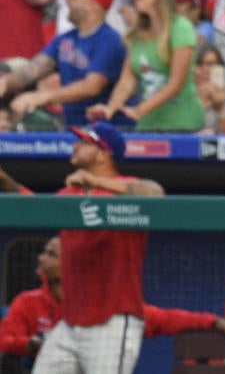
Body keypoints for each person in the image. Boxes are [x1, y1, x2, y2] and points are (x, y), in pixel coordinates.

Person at [0, 122, 164, 374]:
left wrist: (95, 180)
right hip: (71, 322)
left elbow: (155, 194)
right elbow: (35, 208)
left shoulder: (124, 187)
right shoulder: (70, 192)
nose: (75, 145)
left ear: (103, 153)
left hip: (112, 320)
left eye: (85, 142)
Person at [0, 236, 225, 360]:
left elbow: (161, 318)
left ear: (72, 263)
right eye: (44, 253)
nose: (41, 259)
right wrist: (31, 344)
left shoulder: (102, 302)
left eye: (51, 255)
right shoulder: (28, 301)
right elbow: (4, 340)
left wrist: (212, 321)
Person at [88, 0, 205, 132]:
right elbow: (127, 80)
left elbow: (175, 83)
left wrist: (139, 110)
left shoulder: (181, 27)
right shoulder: (137, 33)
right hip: (147, 125)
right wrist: (110, 108)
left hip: (182, 126)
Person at [1, 0, 126, 127]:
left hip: (108, 129)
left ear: (92, 5)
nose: (67, 0)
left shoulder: (110, 40)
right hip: (74, 127)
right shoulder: (65, 39)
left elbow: (92, 86)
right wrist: (5, 82)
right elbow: (33, 70)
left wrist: (43, 97)